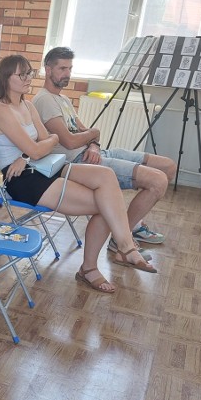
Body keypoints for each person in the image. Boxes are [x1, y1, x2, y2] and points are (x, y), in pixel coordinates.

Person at [0, 54, 157, 294]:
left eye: (29, 73)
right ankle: (99, 263)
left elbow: (47, 142)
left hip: (43, 165)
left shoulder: (28, 105)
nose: (28, 79)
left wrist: (28, 153)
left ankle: (124, 246)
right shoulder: (1, 111)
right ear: (5, 78)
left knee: (105, 176)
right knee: (102, 205)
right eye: (21, 74)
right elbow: (40, 145)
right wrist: (35, 149)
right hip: (24, 180)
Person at [32, 47, 176, 254]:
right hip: (79, 162)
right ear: (48, 69)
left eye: (70, 68)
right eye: (62, 68)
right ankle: (121, 239)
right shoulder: (44, 100)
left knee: (168, 167)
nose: (67, 74)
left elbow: (88, 132)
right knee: (157, 181)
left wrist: (94, 143)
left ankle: (131, 226)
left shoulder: (62, 99)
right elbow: (71, 142)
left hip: (94, 152)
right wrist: (93, 135)